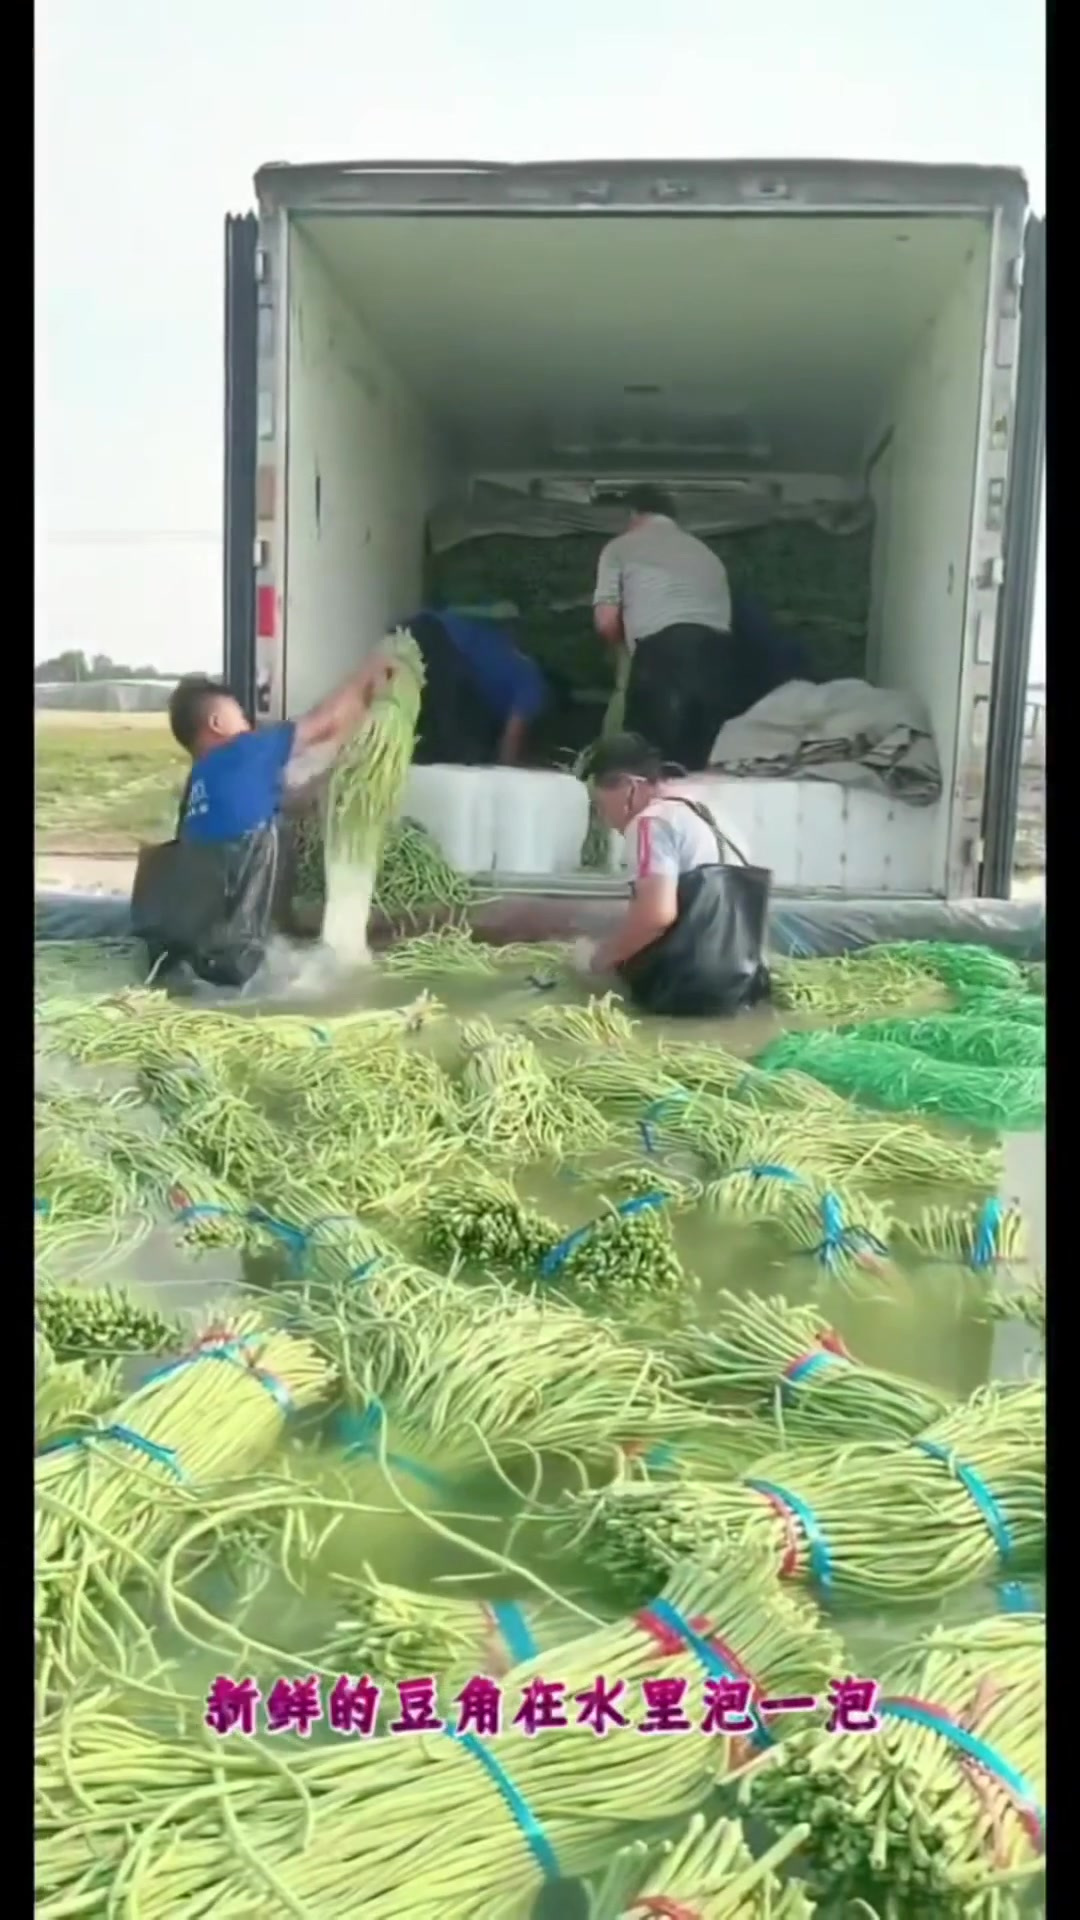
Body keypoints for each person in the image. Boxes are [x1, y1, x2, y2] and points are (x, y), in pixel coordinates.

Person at [131, 653, 394, 991]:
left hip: (191, 951)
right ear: (216, 723)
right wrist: (371, 669)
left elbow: (283, 804)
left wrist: (334, 777)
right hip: (239, 957)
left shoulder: (200, 783)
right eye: (239, 715)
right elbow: (323, 721)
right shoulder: (244, 751)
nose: (248, 724)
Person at [571, 732, 771, 1018]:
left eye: (602, 807)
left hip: (690, 985)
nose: (605, 820)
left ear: (630, 787)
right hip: (746, 984)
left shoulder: (651, 822)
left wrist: (599, 960)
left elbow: (656, 917)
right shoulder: (711, 814)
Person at [592, 485, 739, 771]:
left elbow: (606, 622)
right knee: (701, 766)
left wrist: (621, 660)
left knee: (643, 761)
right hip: (721, 659)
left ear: (634, 514)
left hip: (663, 652)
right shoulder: (706, 553)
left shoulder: (621, 546)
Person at [407, 607, 550, 765]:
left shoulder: (514, 656)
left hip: (423, 625)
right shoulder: (534, 685)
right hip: (439, 641)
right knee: (452, 747)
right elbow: (512, 735)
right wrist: (507, 771)